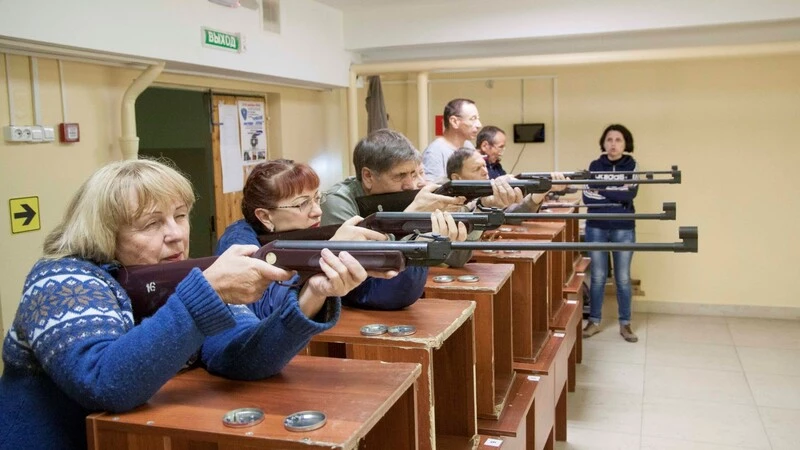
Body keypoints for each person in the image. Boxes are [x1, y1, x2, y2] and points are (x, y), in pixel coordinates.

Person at [0, 159, 367, 449]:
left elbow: (243, 357)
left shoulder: (173, 276)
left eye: (179, 215)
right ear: (104, 233)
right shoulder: (61, 280)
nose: (176, 233)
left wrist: (313, 296)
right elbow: (106, 384)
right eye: (151, 224)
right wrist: (206, 293)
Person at [218, 159, 411, 310]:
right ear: (265, 216)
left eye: (317, 198)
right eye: (303, 203)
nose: (317, 211)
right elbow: (263, 308)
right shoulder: (237, 242)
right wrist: (330, 251)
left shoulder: (304, 234)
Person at [321, 129, 469, 307]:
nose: (411, 185)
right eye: (400, 176)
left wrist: (458, 224)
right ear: (368, 176)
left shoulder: (410, 195)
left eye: (413, 174)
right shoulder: (338, 201)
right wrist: (410, 216)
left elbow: (457, 259)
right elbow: (370, 264)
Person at [581, 124, 640, 343]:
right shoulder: (595, 165)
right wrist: (616, 192)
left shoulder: (632, 165)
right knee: (597, 277)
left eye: (618, 140)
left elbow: (630, 194)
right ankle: (594, 322)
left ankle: (625, 324)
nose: (613, 144)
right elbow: (588, 197)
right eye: (609, 139)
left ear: (626, 144)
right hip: (596, 226)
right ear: (604, 143)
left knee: (623, 278)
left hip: (624, 228)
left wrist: (602, 189)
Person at [446, 147, 568, 213]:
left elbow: (514, 212)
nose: (485, 171)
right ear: (456, 178)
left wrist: (544, 189)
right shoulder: (445, 202)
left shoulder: (484, 193)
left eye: (484, 166)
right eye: (476, 169)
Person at [421, 98, 482, 181]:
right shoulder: (434, 152)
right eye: (473, 119)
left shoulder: (468, 146)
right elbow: (432, 188)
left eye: (478, 119)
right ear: (454, 122)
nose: (479, 125)